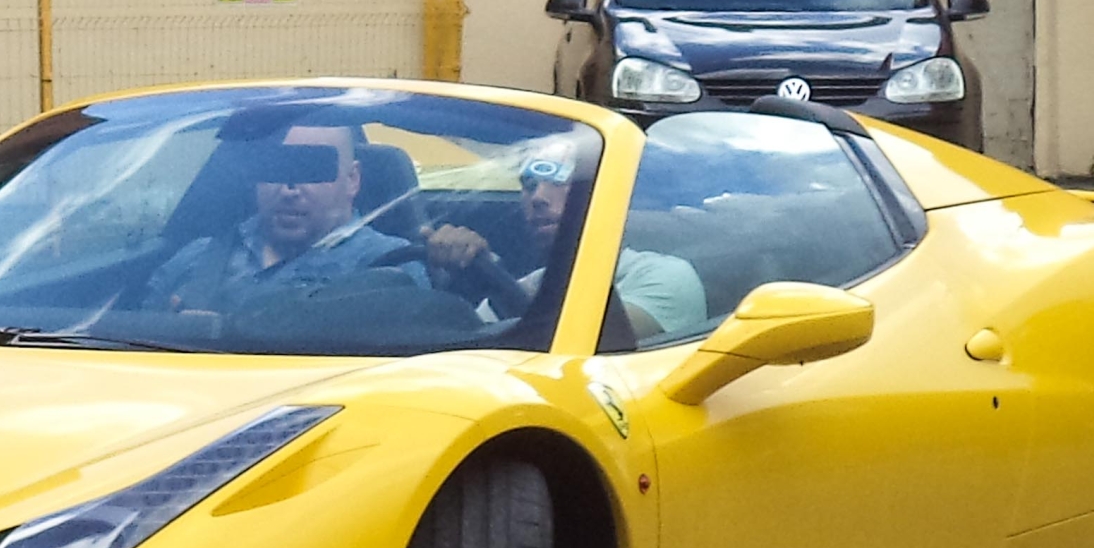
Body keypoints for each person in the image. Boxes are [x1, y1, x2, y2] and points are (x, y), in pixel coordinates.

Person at [423, 150, 705, 344]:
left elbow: (590, 342)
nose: (538, 198)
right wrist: (468, 275)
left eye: (561, 181)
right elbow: (471, 340)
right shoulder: (535, 282)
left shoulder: (665, 276)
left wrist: (496, 279)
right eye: (530, 185)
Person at [145, 123, 427, 315]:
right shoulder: (199, 255)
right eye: (278, 166)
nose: (289, 188)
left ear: (352, 180)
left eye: (311, 167)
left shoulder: (391, 267)